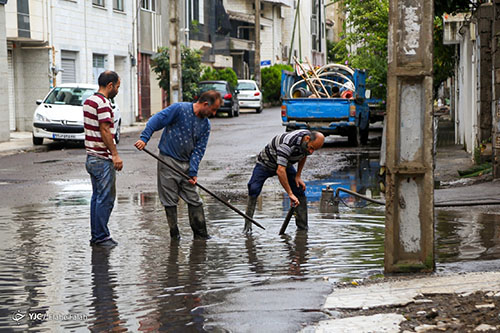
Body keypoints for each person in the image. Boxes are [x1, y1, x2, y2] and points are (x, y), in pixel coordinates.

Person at [134, 91, 222, 240]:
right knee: (169, 200)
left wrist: (193, 172)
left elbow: (199, 150)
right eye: (213, 109)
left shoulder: (205, 125)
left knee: (195, 200)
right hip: (168, 161)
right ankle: (175, 235)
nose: (214, 113)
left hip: (187, 164)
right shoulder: (179, 109)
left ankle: (201, 235)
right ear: (205, 104)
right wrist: (144, 138)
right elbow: (157, 120)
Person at [244, 129, 325, 233]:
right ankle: (247, 228)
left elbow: (304, 155)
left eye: (314, 150)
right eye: (311, 148)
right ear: (307, 139)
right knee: (253, 189)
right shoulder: (287, 144)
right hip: (266, 163)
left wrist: (298, 176)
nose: (311, 152)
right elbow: (280, 171)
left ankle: (302, 229)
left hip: (285, 164)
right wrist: (290, 194)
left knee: (299, 190)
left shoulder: (307, 144)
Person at [84, 70, 122, 247]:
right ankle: (101, 236)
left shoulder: (89, 101)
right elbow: (105, 130)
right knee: (105, 199)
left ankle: (97, 235)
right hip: (102, 158)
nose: (117, 90)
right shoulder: (104, 104)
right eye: (117, 87)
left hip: (91, 157)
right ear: (110, 85)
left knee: (96, 198)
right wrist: (115, 154)